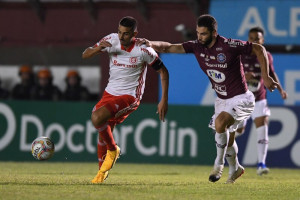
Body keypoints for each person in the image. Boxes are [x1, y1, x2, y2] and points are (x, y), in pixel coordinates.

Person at [138, 14, 278, 183]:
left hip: (241, 97)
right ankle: (235, 168)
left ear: (214, 33)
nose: (199, 37)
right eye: (198, 33)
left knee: (220, 123)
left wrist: (266, 75)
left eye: (203, 33)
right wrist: (151, 44)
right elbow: (169, 47)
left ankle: (218, 165)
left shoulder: (228, 45)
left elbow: (259, 49)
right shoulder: (196, 46)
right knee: (228, 137)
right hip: (221, 100)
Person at [82, 16, 169, 184]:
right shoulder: (110, 40)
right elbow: (85, 54)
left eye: (126, 34)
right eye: (120, 32)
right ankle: (101, 175)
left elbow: (163, 72)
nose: (122, 37)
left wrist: (163, 99)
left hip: (130, 96)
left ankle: (113, 150)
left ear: (135, 33)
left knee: (97, 117)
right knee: (103, 131)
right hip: (110, 93)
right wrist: (98, 48)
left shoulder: (144, 50)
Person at [235, 27, 288, 176]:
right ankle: (225, 139)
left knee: (262, 127)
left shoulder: (266, 55)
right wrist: (244, 76)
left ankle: (261, 164)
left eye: (257, 38)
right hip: (241, 99)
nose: (254, 41)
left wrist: (281, 90)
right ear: (248, 39)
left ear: (262, 40)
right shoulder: (240, 55)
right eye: (251, 38)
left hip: (259, 98)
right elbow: (231, 76)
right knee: (239, 130)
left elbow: (271, 73)